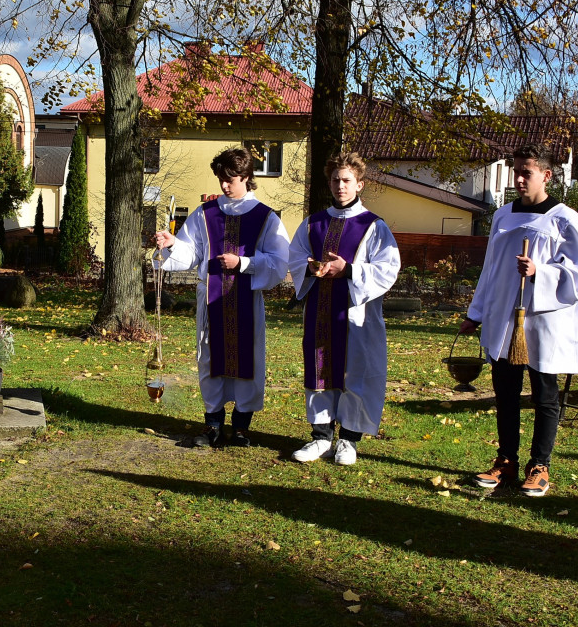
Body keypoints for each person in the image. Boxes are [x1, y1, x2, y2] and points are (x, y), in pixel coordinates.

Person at [460, 144, 578, 497]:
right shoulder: (503, 216)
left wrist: (541, 273)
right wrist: (475, 313)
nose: (518, 179)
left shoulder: (566, 220)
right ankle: (506, 461)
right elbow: (490, 270)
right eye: (516, 171)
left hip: (544, 323)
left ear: (547, 175)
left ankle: (540, 466)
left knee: (544, 395)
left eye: (526, 173)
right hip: (505, 320)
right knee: (505, 393)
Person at [154, 147, 290, 448]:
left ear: (246, 177)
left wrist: (243, 264)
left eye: (231, 179)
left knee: (248, 359)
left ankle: (241, 427)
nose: (225, 185)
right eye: (221, 179)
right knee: (210, 358)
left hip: (246, 302)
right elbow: (193, 253)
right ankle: (213, 424)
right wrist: (173, 243)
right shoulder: (205, 214)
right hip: (211, 302)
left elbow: (280, 262)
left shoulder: (265, 217)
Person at [288, 152, 400, 465]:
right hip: (320, 312)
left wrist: (349, 270)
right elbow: (294, 256)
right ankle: (321, 437)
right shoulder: (313, 223)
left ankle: (349, 440)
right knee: (321, 368)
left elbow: (388, 268)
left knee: (355, 372)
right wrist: (309, 267)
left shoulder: (373, 226)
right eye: (336, 180)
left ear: (360, 185)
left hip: (355, 315)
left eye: (347, 180)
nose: (341, 186)